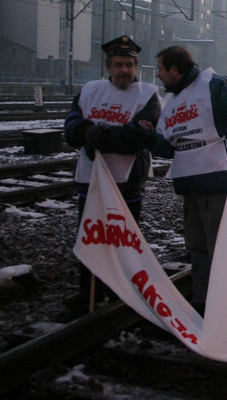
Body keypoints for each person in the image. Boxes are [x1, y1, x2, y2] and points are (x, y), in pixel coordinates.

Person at [149, 45, 227, 316]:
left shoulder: (212, 84)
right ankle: (203, 302)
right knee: (198, 248)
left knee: (221, 246)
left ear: (175, 70)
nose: (158, 75)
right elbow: (167, 147)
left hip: (218, 178)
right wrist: (143, 138)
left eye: (161, 69)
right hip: (190, 184)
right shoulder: (173, 101)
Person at [63, 35, 161, 313]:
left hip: (128, 179)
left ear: (136, 67)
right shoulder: (89, 91)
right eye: (119, 64)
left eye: (130, 65)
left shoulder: (147, 94)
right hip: (90, 177)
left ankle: (123, 290)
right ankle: (88, 291)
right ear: (108, 67)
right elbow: (71, 124)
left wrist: (100, 135)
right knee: (90, 235)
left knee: (124, 238)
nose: (125, 70)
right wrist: (83, 131)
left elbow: (142, 133)